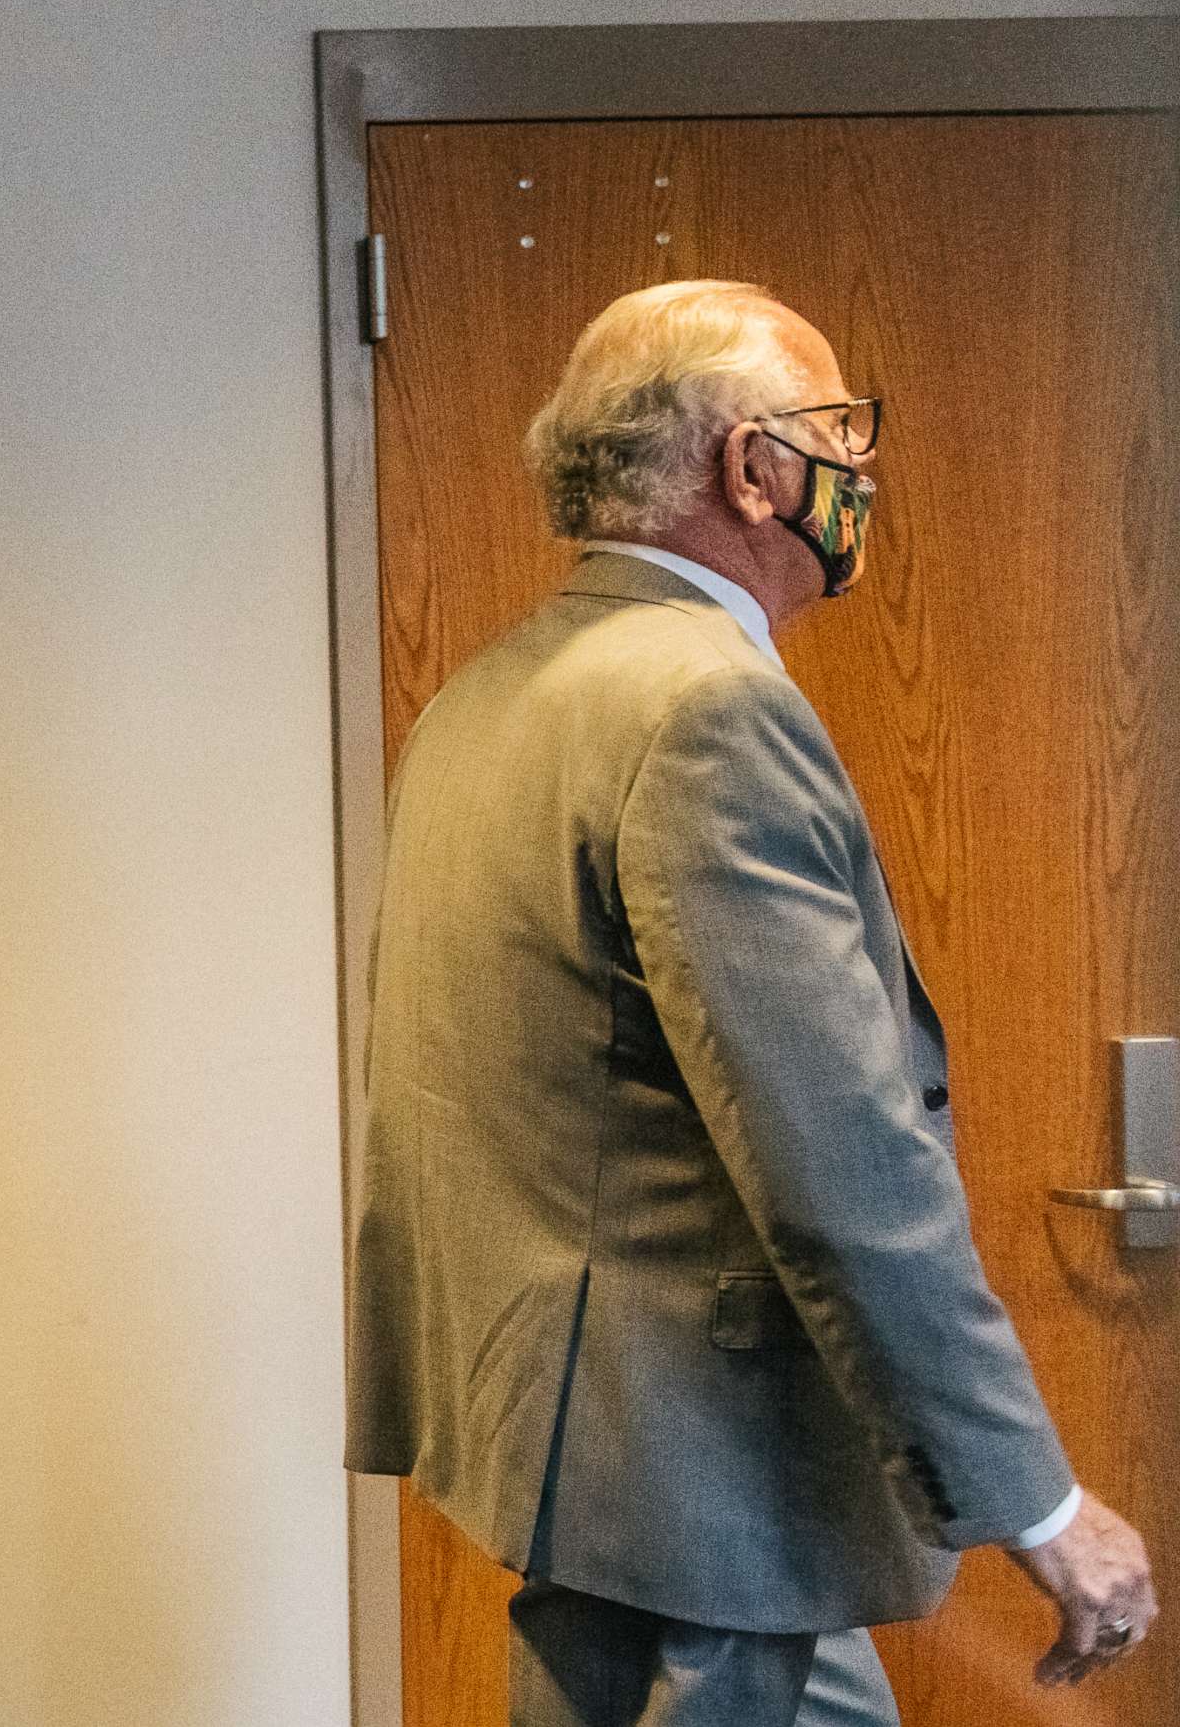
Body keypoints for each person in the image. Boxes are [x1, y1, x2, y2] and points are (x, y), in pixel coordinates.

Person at [345, 281, 1156, 1725]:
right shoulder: (708, 709)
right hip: (716, 1511)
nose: (863, 471)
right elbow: (842, 1167)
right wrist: (1037, 1503)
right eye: (841, 430)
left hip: (574, 1475)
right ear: (751, 466)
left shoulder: (486, 693)